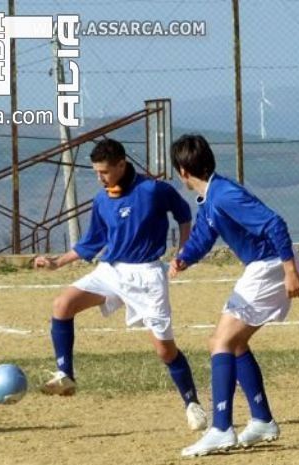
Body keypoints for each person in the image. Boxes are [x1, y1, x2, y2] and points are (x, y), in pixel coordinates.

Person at [33, 139, 205, 431]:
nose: (100, 178)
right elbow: (93, 241)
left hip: (147, 276)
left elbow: (184, 215)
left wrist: (183, 253)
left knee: (165, 351)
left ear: (122, 165)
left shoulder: (153, 190)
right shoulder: (102, 200)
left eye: (104, 172)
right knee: (62, 305)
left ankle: (192, 404)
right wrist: (57, 262)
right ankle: (66, 374)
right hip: (110, 271)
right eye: (96, 172)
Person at [168, 134, 299, 457]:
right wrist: (184, 258)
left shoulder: (225, 194)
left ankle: (220, 428)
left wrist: (289, 271)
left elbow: (275, 224)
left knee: (220, 342)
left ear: (182, 172)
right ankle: (262, 420)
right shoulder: (212, 196)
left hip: (269, 265)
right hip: (266, 265)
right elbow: (204, 233)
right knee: (237, 342)